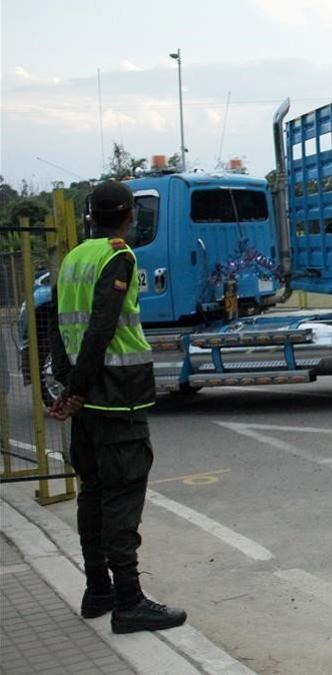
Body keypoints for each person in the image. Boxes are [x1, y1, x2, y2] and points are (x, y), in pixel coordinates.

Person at [48, 181, 188, 633]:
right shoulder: (117, 256)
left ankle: (97, 590)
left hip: (88, 400)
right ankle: (129, 600)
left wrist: (66, 386)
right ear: (130, 216)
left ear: (91, 215)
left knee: (92, 492)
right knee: (123, 493)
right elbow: (102, 326)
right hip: (114, 396)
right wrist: (79, 388)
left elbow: (56, 324)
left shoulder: (73, 258)